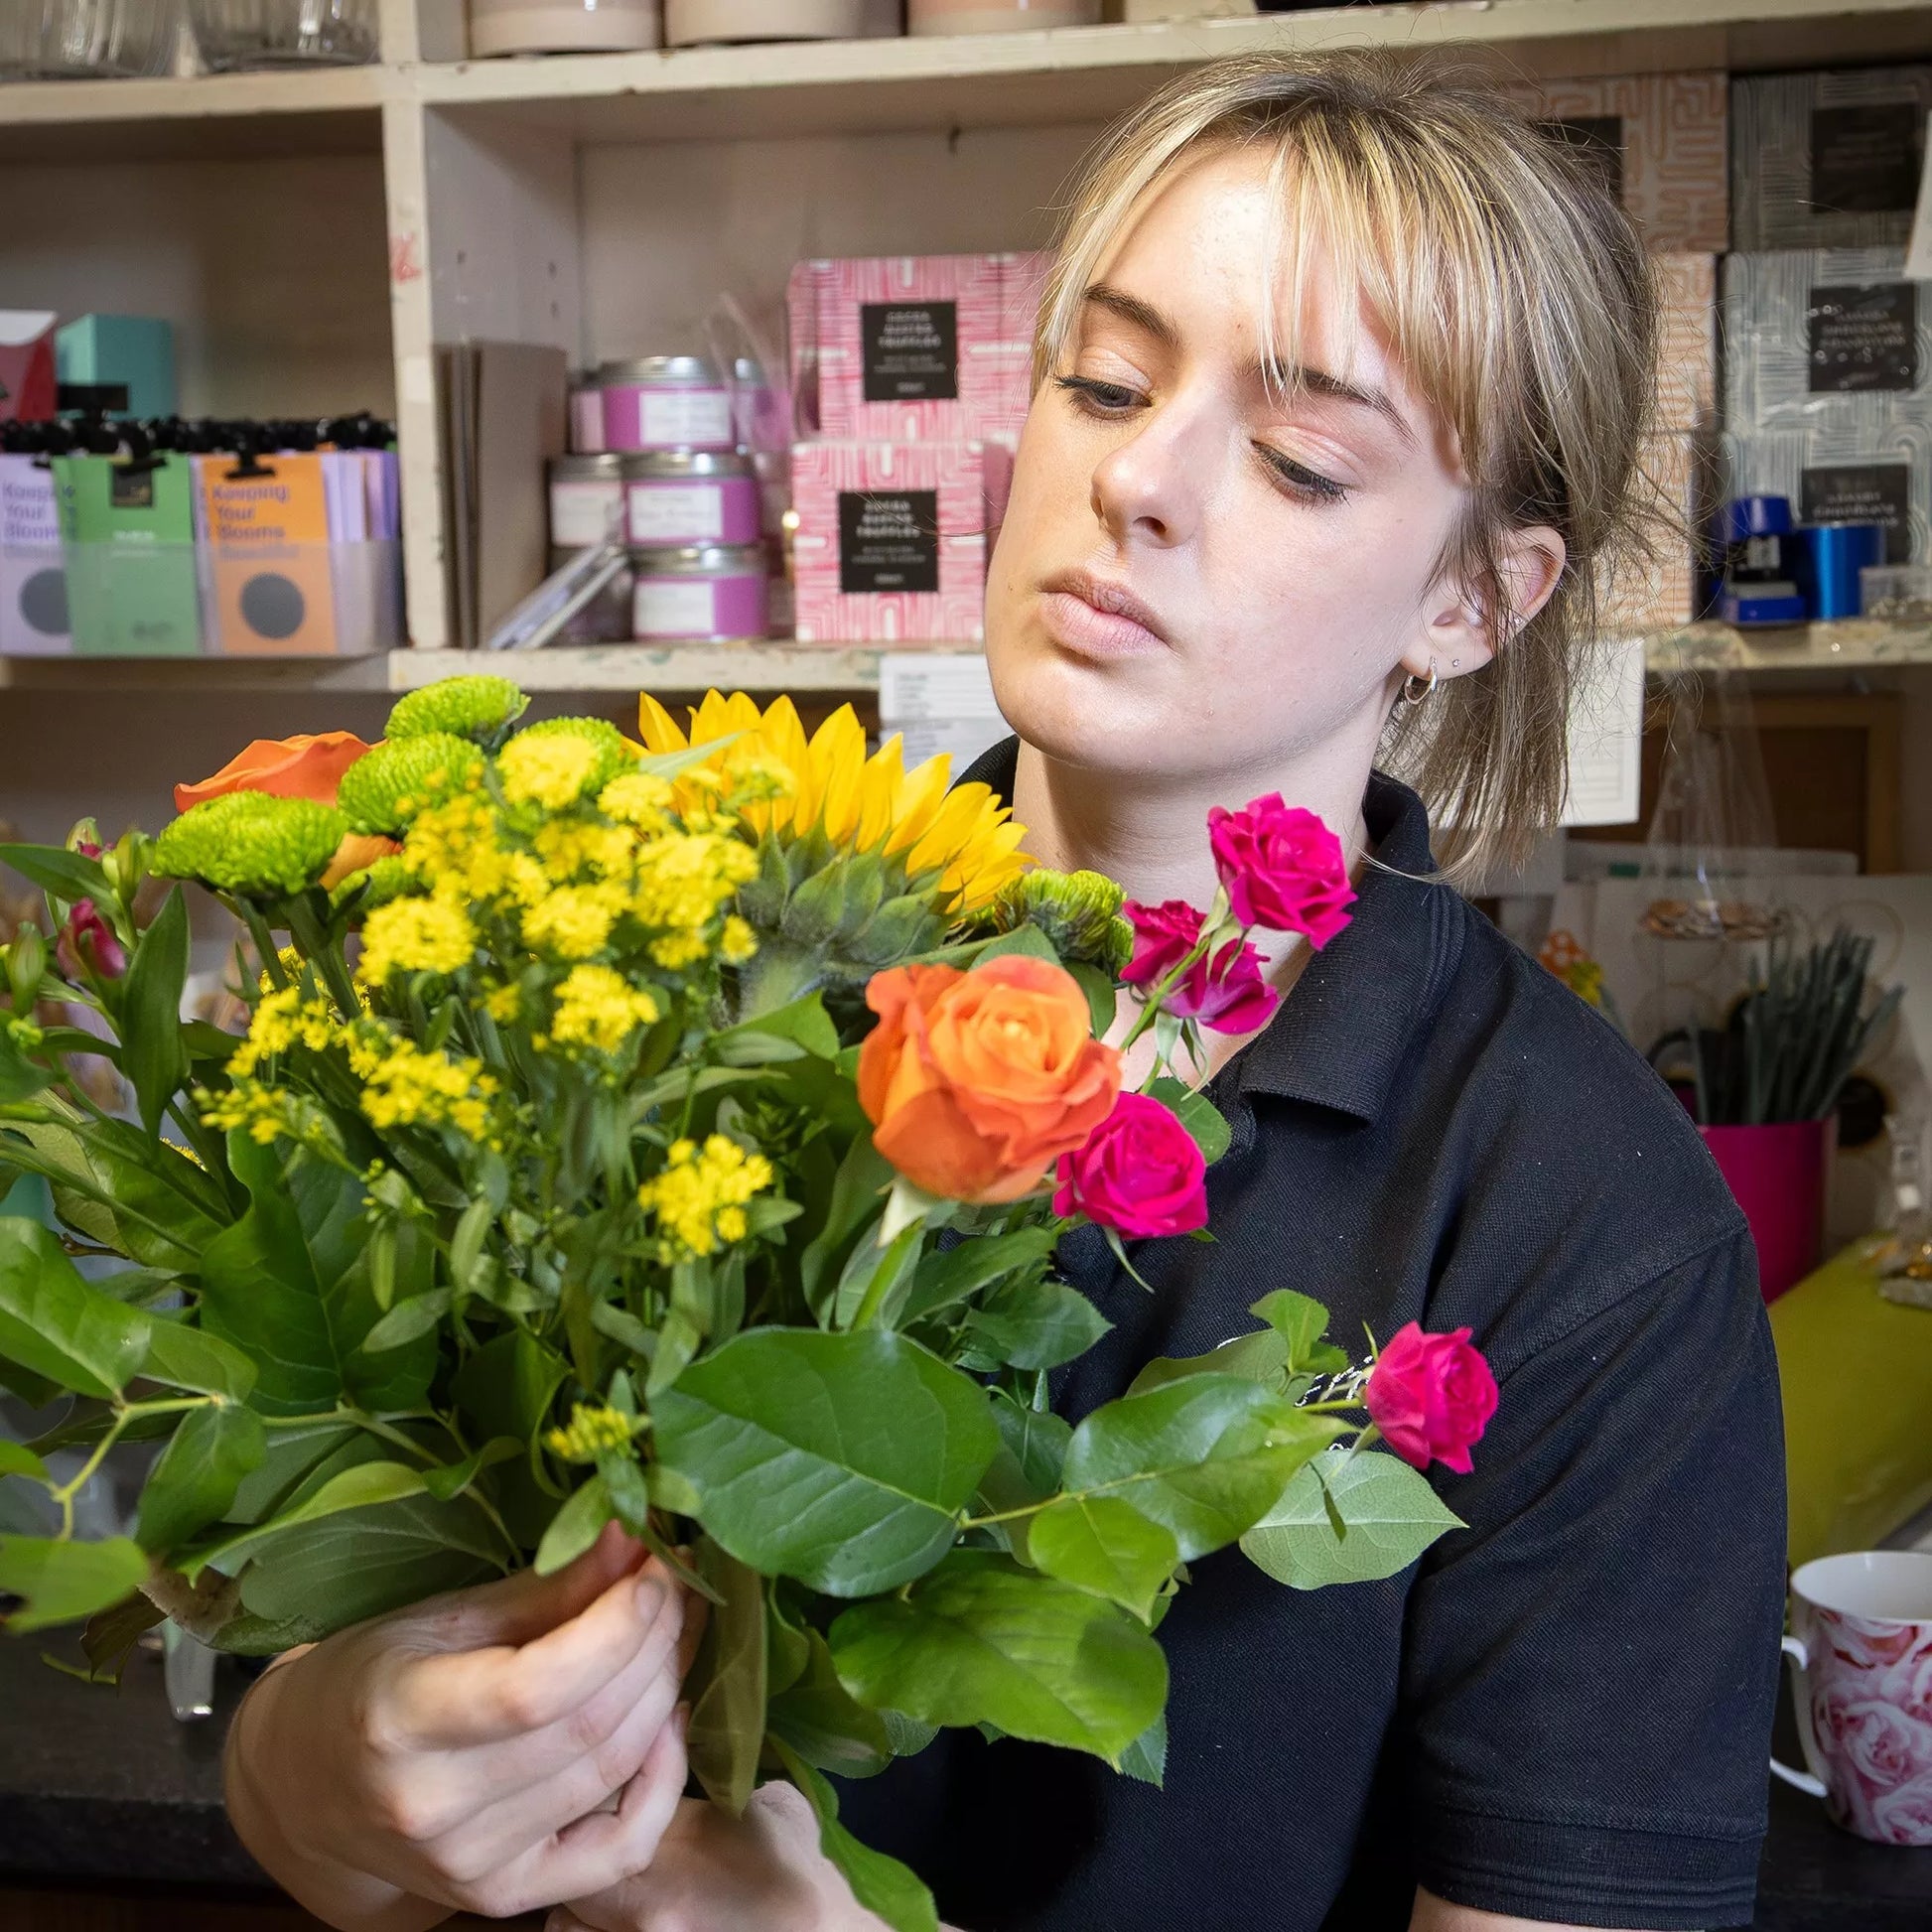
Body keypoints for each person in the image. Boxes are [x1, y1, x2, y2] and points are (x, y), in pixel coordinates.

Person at [224, 49, 1786, 1932]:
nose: (1134, 477)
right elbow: (322, 1762)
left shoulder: (1586, 1227)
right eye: (1104, 380)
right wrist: (334, 1763)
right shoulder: (667, 961)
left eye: (1299, 461)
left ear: (1474, 599)